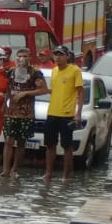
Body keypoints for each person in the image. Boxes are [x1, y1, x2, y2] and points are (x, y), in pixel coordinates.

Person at [2, 47, 48, 175]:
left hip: (26, 113)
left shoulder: (35, 73)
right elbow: (7, 88)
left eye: (25, 56)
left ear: (30, 58)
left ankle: (15, 169)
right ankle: (6, 170)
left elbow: (44, 90)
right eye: (20, 56)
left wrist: (26, 93)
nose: (22, 59)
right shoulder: (10, 72)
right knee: (8, 141)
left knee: (21, 142)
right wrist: (4, 104)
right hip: (11, 111)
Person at [44, 46, 85, 182]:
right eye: (55, 54)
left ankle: (66, 176)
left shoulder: (75, 70)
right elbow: (52, 91)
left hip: (67, 114)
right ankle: (48, 173)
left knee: (67, 146)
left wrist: (78, 113)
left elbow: (80, 92)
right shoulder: (54, 71)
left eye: (61, 55)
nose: (58, 57)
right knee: (50, 144)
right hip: (52, 112)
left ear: (67, 56)